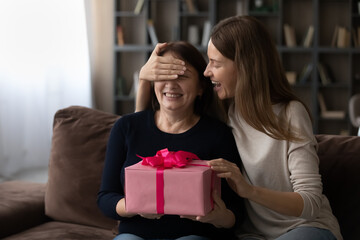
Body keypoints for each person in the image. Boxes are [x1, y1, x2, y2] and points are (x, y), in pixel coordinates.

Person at [135, 16, 342, 240]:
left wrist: (249, 190)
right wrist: (144, 80)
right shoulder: (225, 111)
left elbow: (310, 202)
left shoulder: (291, 112)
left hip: (304, 228)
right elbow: (149, 132)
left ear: (245, 66)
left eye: (216, 63)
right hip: (250, 235)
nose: (207, 72)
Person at [97, 41, 244, 240]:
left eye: (182, 76)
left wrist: (220, 217)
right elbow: (105, 198)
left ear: (201, 87)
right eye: (163, 75)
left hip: (195, 235)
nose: (171, 84)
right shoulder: (126, 127)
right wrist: (134, 205)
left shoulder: (218, 134)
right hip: (135, 234)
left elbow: (237, 210)